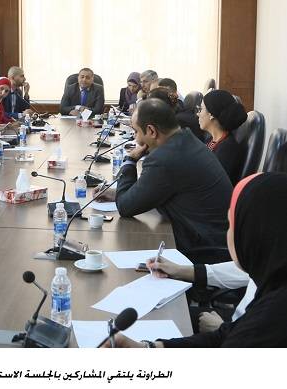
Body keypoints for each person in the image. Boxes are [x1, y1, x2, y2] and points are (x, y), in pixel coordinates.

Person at [107, 172, 287, 347]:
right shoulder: (272, 275)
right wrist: (149, 348)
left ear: (253, 236)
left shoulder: (268, 322)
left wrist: (224, 328)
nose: (228, 233)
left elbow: (234, 336)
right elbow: (228, 333)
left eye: (232, 225)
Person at [114, 99, 233, 264]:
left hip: (206, 251)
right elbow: (155, 190)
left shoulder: (165, 159)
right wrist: (121, 191)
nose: (136, 139)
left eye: (136, 131)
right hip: (219, 239)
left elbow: (125, 207)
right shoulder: (185, 139)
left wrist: (130, 160)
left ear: (151, 131)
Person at [198, 89, 248, 185]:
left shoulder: (227, 149)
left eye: (201, 109)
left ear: (211, 114)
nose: (198, 114)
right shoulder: (212, 140)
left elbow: (211, 182)